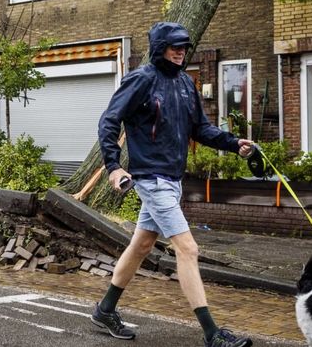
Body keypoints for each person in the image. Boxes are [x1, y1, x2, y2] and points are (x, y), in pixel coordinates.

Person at [90, 21, 254, 347]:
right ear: (159, 48)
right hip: (151, 179)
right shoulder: (141, 79)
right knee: (188, 248)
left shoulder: (184, 84)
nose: (181, 52)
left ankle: (105, 310)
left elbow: (200, 130)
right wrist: (112, 167)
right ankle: (212, 334)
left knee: (141, 245)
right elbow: (109, 121)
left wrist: (234, 143)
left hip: (173, 180)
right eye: (174, 46)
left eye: (184, 46)